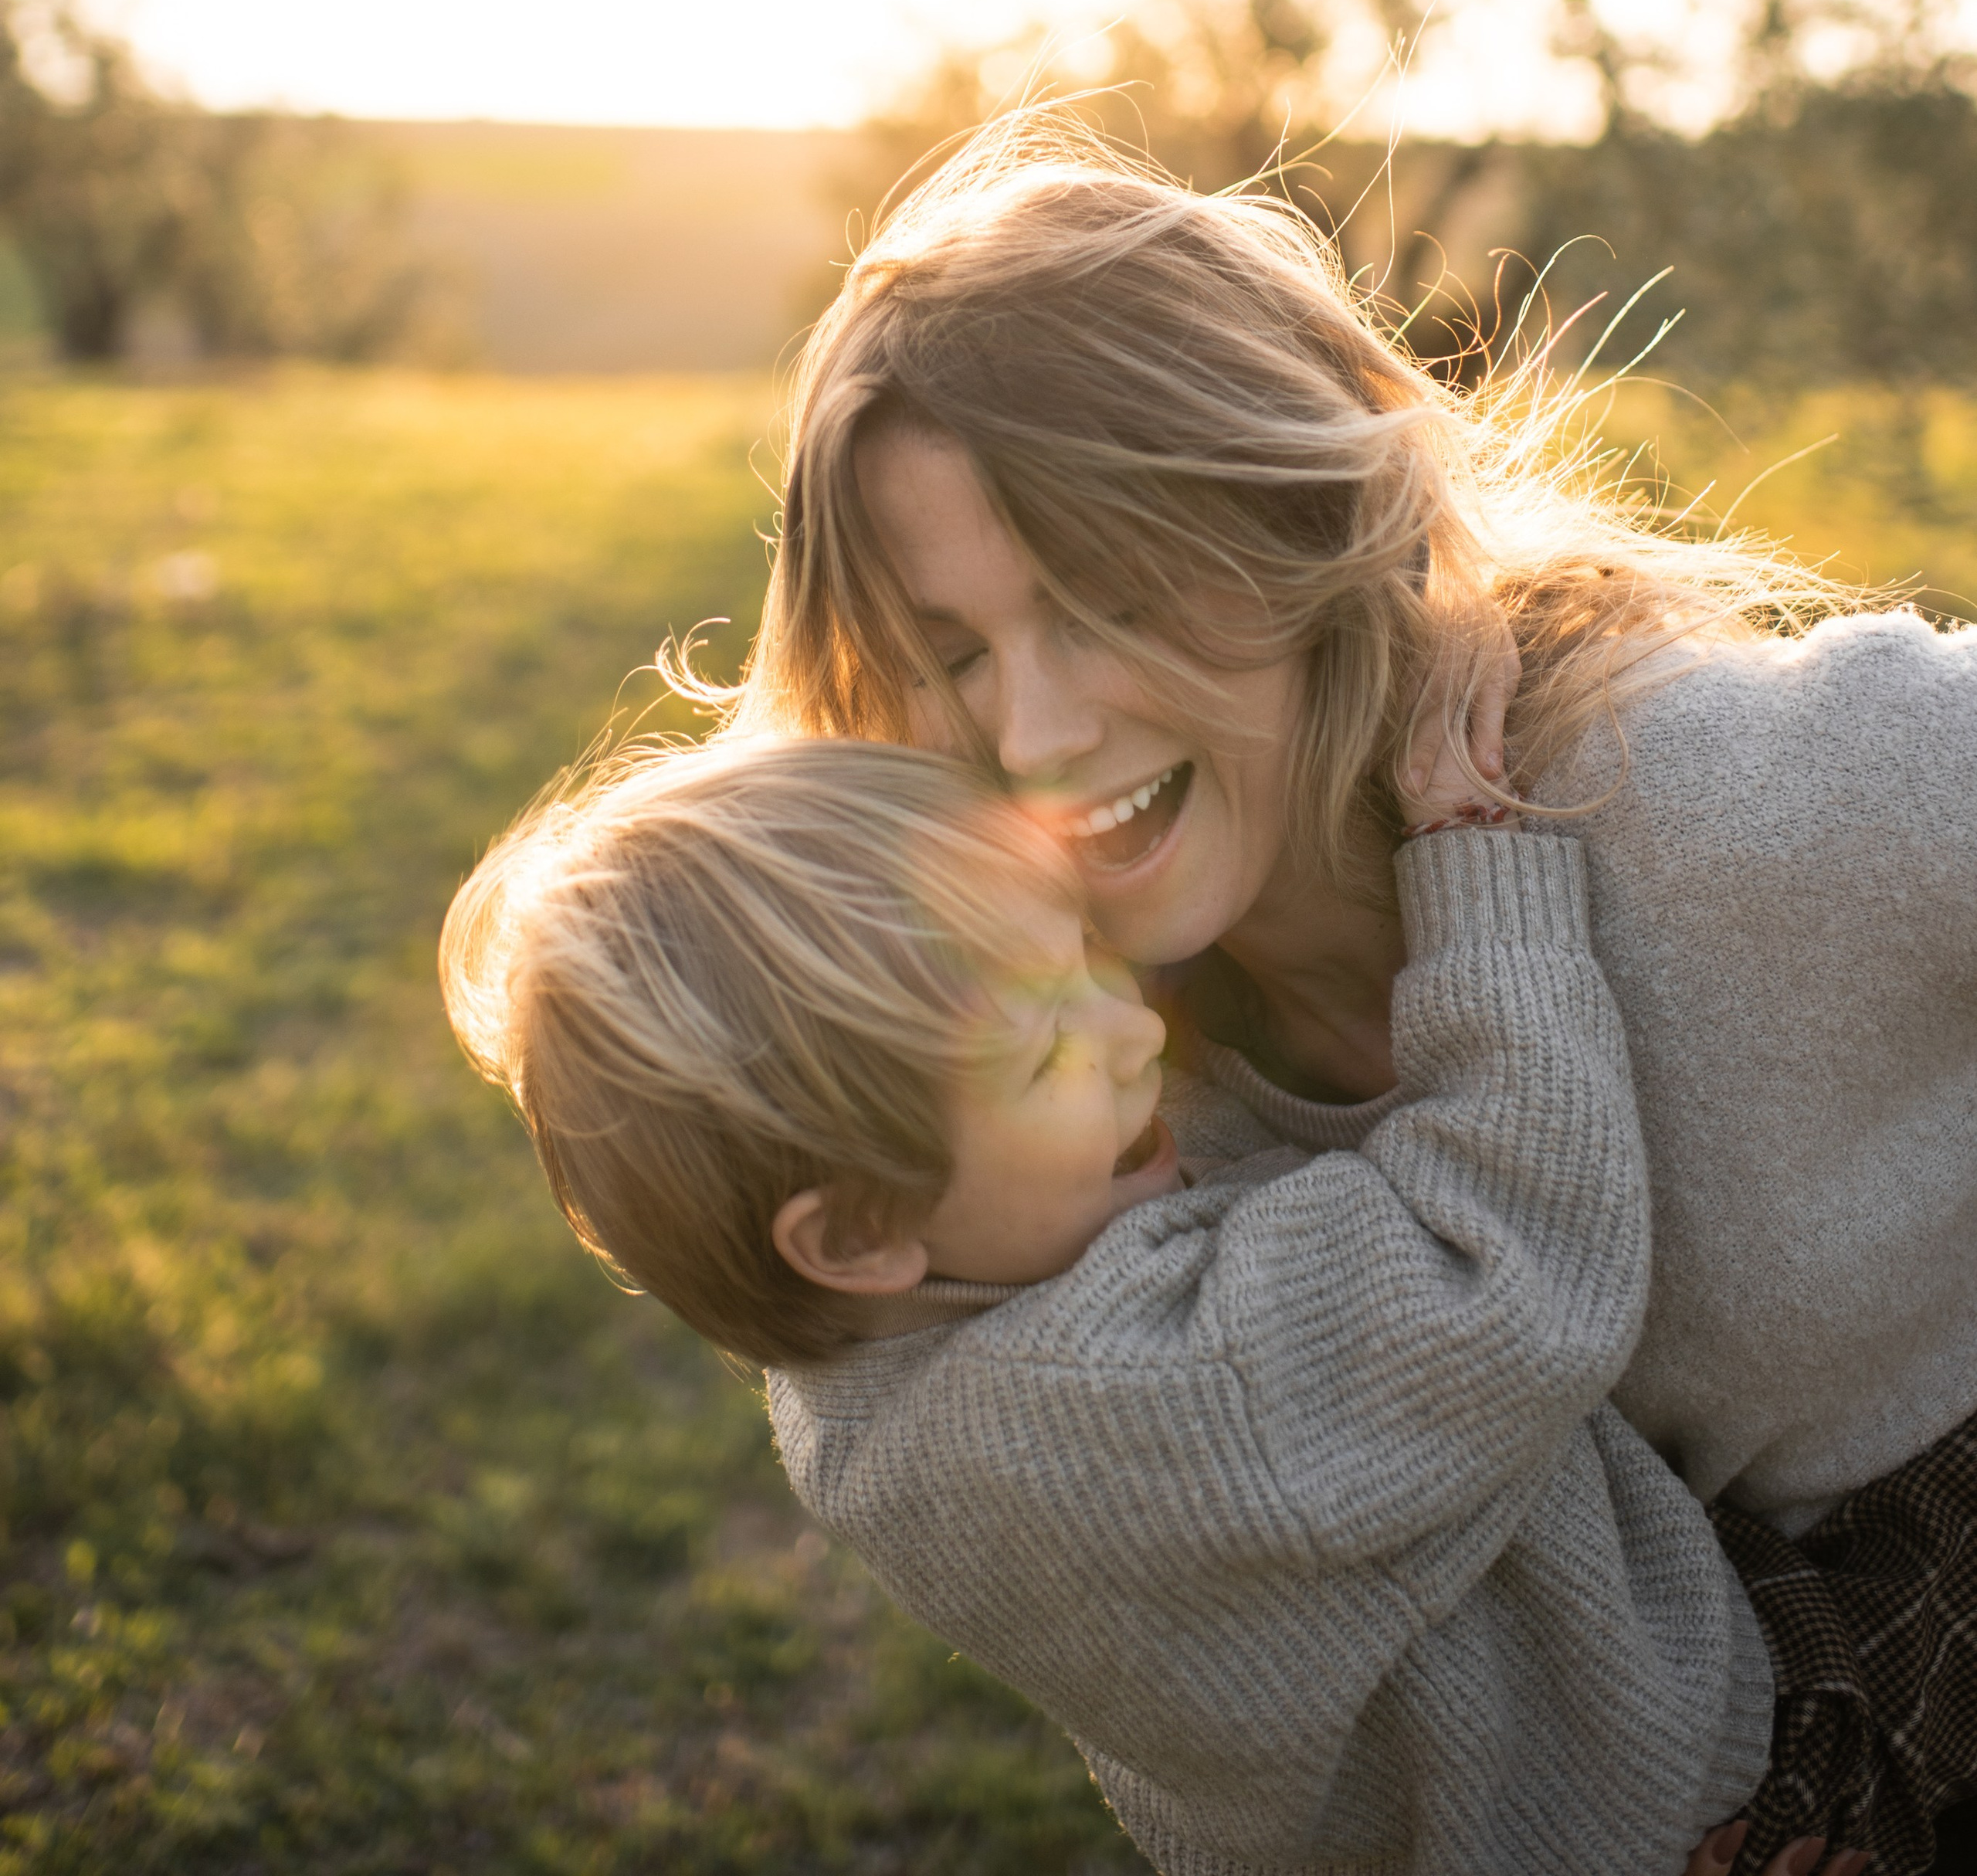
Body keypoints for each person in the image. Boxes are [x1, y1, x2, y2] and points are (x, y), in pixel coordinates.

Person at [722, 117, 1977, 1864]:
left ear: (1295, 505)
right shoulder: (1107, 1113)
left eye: (1095, 596)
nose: (1034, 731)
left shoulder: (1688, 796)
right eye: (951, 654)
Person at [438, 726, 1843, 1876]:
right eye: (1054, 1047)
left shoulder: (884, 1350)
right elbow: (1512, 1253)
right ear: (859, 1232)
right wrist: (1481, 868)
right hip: (1715, 1787)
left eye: (1089, 962)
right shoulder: (1120, 1402)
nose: (1133, 1031)